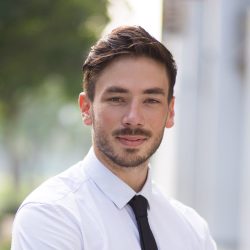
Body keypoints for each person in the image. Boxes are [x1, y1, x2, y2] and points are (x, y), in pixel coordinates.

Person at [11, 25, 217, 250]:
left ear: (171, 111)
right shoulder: (51, 215)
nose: (134, 118)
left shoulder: (192, 231)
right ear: (86, 108)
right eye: (117, 99)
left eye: (151, 101)